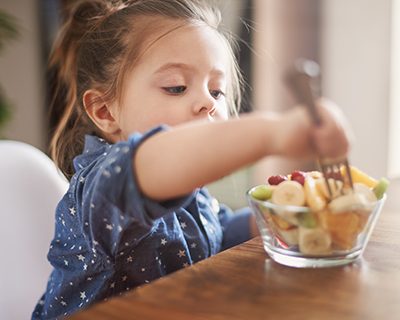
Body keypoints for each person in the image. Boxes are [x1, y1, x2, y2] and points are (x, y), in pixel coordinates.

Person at [32, 0, 350, 319]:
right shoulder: (104, 186)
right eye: (176, 87)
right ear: (105, 111)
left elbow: (217, 233)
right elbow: (157, 159)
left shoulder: (188, 190)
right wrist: (274, 132)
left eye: (217, 91)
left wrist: (277, 216)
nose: (206, 103)